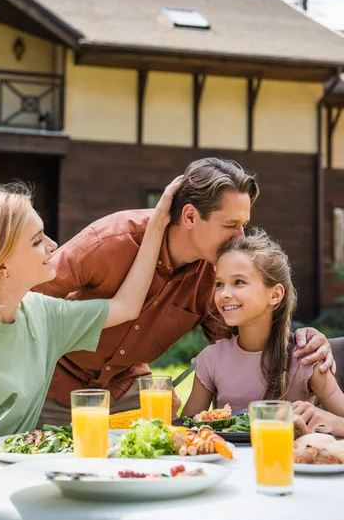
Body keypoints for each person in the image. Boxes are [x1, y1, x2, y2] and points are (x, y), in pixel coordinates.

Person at [35, 158, 335, 425]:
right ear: (190, 216)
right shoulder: (112, 240)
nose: (239, 237)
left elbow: (246, 339)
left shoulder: (218, 275)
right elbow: (25, 303)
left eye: (244, 225)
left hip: (127, 387)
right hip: (53, 383)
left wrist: (305, 339)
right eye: (230, 224)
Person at [0, 177, 180, 441]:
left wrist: (159, 220)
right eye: (36, 241)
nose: (52, 245)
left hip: (18, 473)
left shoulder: (43, 315)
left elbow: (126, 306)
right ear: (1, 266)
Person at [182, 230, 344, 416]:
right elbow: (188, 429)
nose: (224, 293)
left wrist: (327, 420)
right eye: (219, 284)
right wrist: (170, 416)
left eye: (239, 282)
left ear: (275, 295)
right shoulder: (211, 358)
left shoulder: (305, 357)